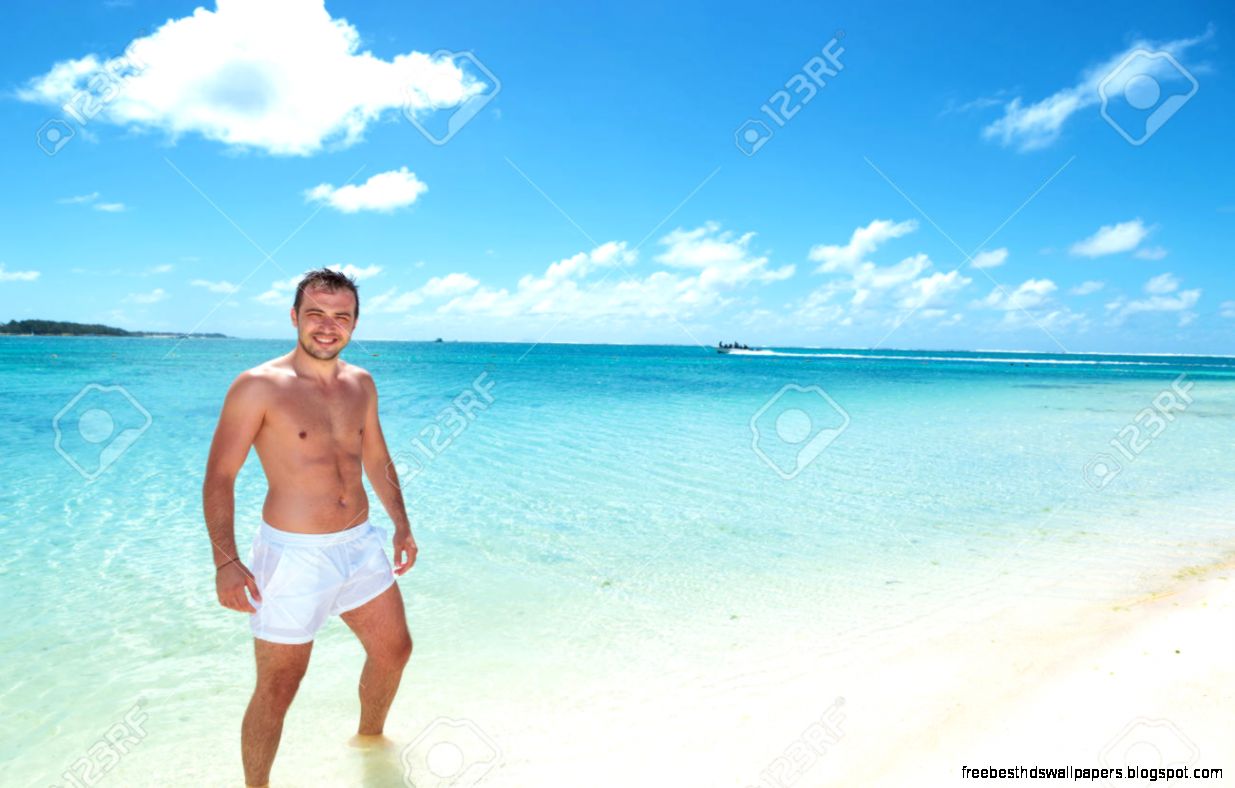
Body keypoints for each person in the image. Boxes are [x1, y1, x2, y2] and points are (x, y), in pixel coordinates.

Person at [202, 267, 418, 787]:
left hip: (359, 545)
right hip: (294, 555)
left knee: (395, 650)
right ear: (295, 317)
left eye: (341, 316)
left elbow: (377, 459)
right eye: (316, 314)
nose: (328, 326)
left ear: (354, 323)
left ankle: (369, 743)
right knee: (279, 686)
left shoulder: (360, 384)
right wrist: (227, 562)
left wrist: (401, 525)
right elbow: (219, 478)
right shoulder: (258, 386)